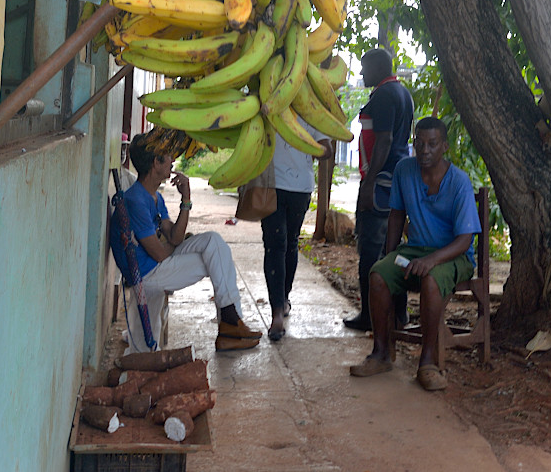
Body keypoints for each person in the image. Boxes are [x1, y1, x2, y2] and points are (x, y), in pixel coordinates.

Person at [348, 117, 480, 391]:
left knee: (430, 279)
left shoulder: (459, 182)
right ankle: (381, 353)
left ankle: (428, 363)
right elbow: (396, 216)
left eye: (432, 144)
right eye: (419, 143)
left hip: (454, 256)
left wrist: (431, 260)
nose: (425, 150)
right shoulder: (404, 170)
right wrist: (390, 256)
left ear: (444, 146)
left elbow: (465, 239)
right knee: (378, 275)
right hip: (414, 250)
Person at [109, 133, 261, 352]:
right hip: (149, 273)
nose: (173, 160)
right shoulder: (136, 201)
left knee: (214, 242)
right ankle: (230, 323)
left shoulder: (154, 196)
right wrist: (172, 244)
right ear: (156, 163)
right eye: (168, 156)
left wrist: (186, 199)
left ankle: (230, 321)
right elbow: (161, 253)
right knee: (214, 259)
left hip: (159, 262)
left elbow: (175, 237)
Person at [345, 47, 414, 331]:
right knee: (393, 250)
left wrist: (369, 183)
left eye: (364, 67)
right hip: (396, 179)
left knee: (371, 251)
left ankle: (369, 316)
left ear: (379, 67)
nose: (361, 74)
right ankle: (399, 314)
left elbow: (383, 141)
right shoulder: (401, 93)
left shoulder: (385, 95)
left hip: (382, 181)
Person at [261, 120, 332, 342]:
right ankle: (276, 313)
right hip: (270, 185)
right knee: (275, 246)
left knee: (289, 244)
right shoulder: (267, 104)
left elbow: (326, 150)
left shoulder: (310, 109)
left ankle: (283, 300)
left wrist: (304, 142)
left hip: (300, 188)